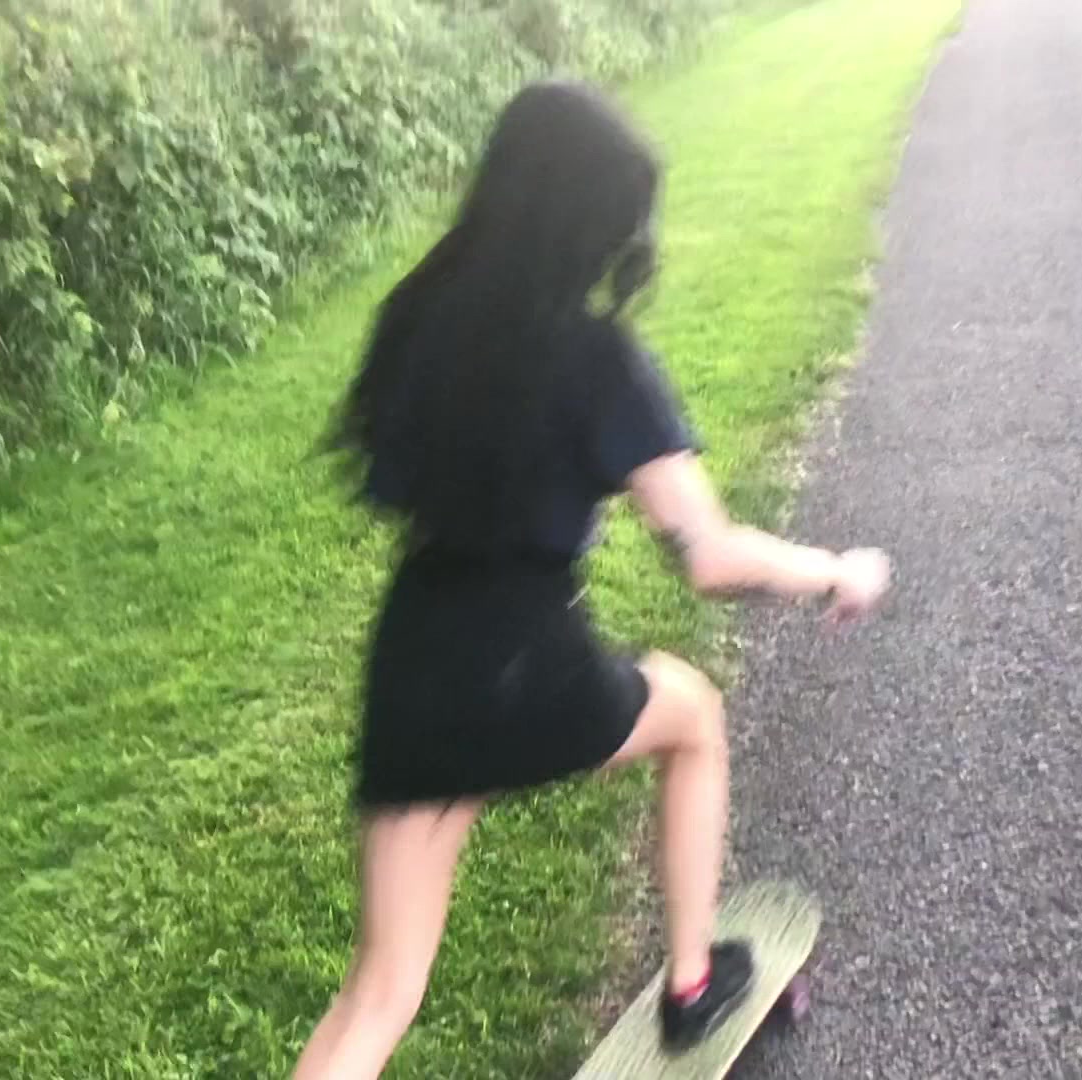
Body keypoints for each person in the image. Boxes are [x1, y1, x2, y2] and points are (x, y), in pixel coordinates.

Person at [292, 79, 892, 1078]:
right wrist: (835, 570)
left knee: (380, 991)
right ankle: (692, 987)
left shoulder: (419, 320)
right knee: (693, 718)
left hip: (414, 660)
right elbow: (708, 555)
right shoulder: (594, 357)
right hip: (527, 667)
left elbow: (400, 481)